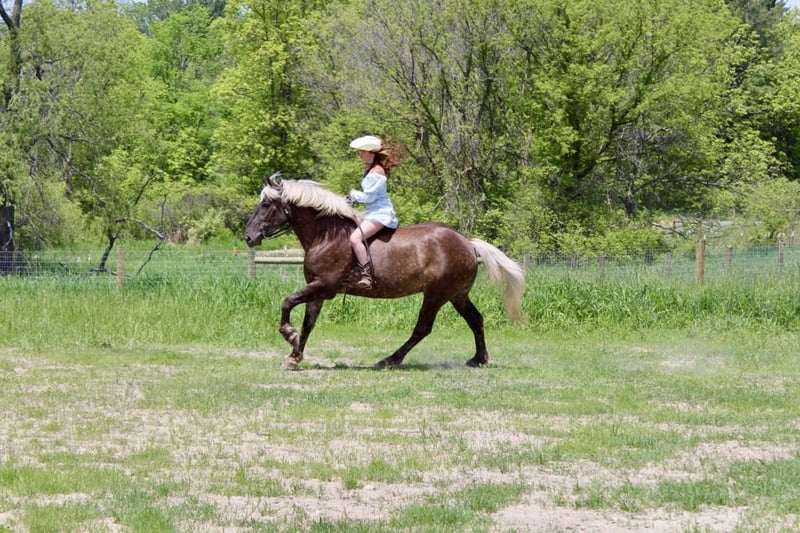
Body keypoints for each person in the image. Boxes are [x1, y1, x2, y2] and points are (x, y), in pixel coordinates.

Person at [346, 135, 401, 289]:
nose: (360, 154)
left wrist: (353, 194)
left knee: (355, 238)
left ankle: (367, 274)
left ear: (371, 153)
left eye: (363, 152)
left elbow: (369, 198)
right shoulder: (370, 170)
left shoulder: (376, 172)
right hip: (373, 212)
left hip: (380, 214)